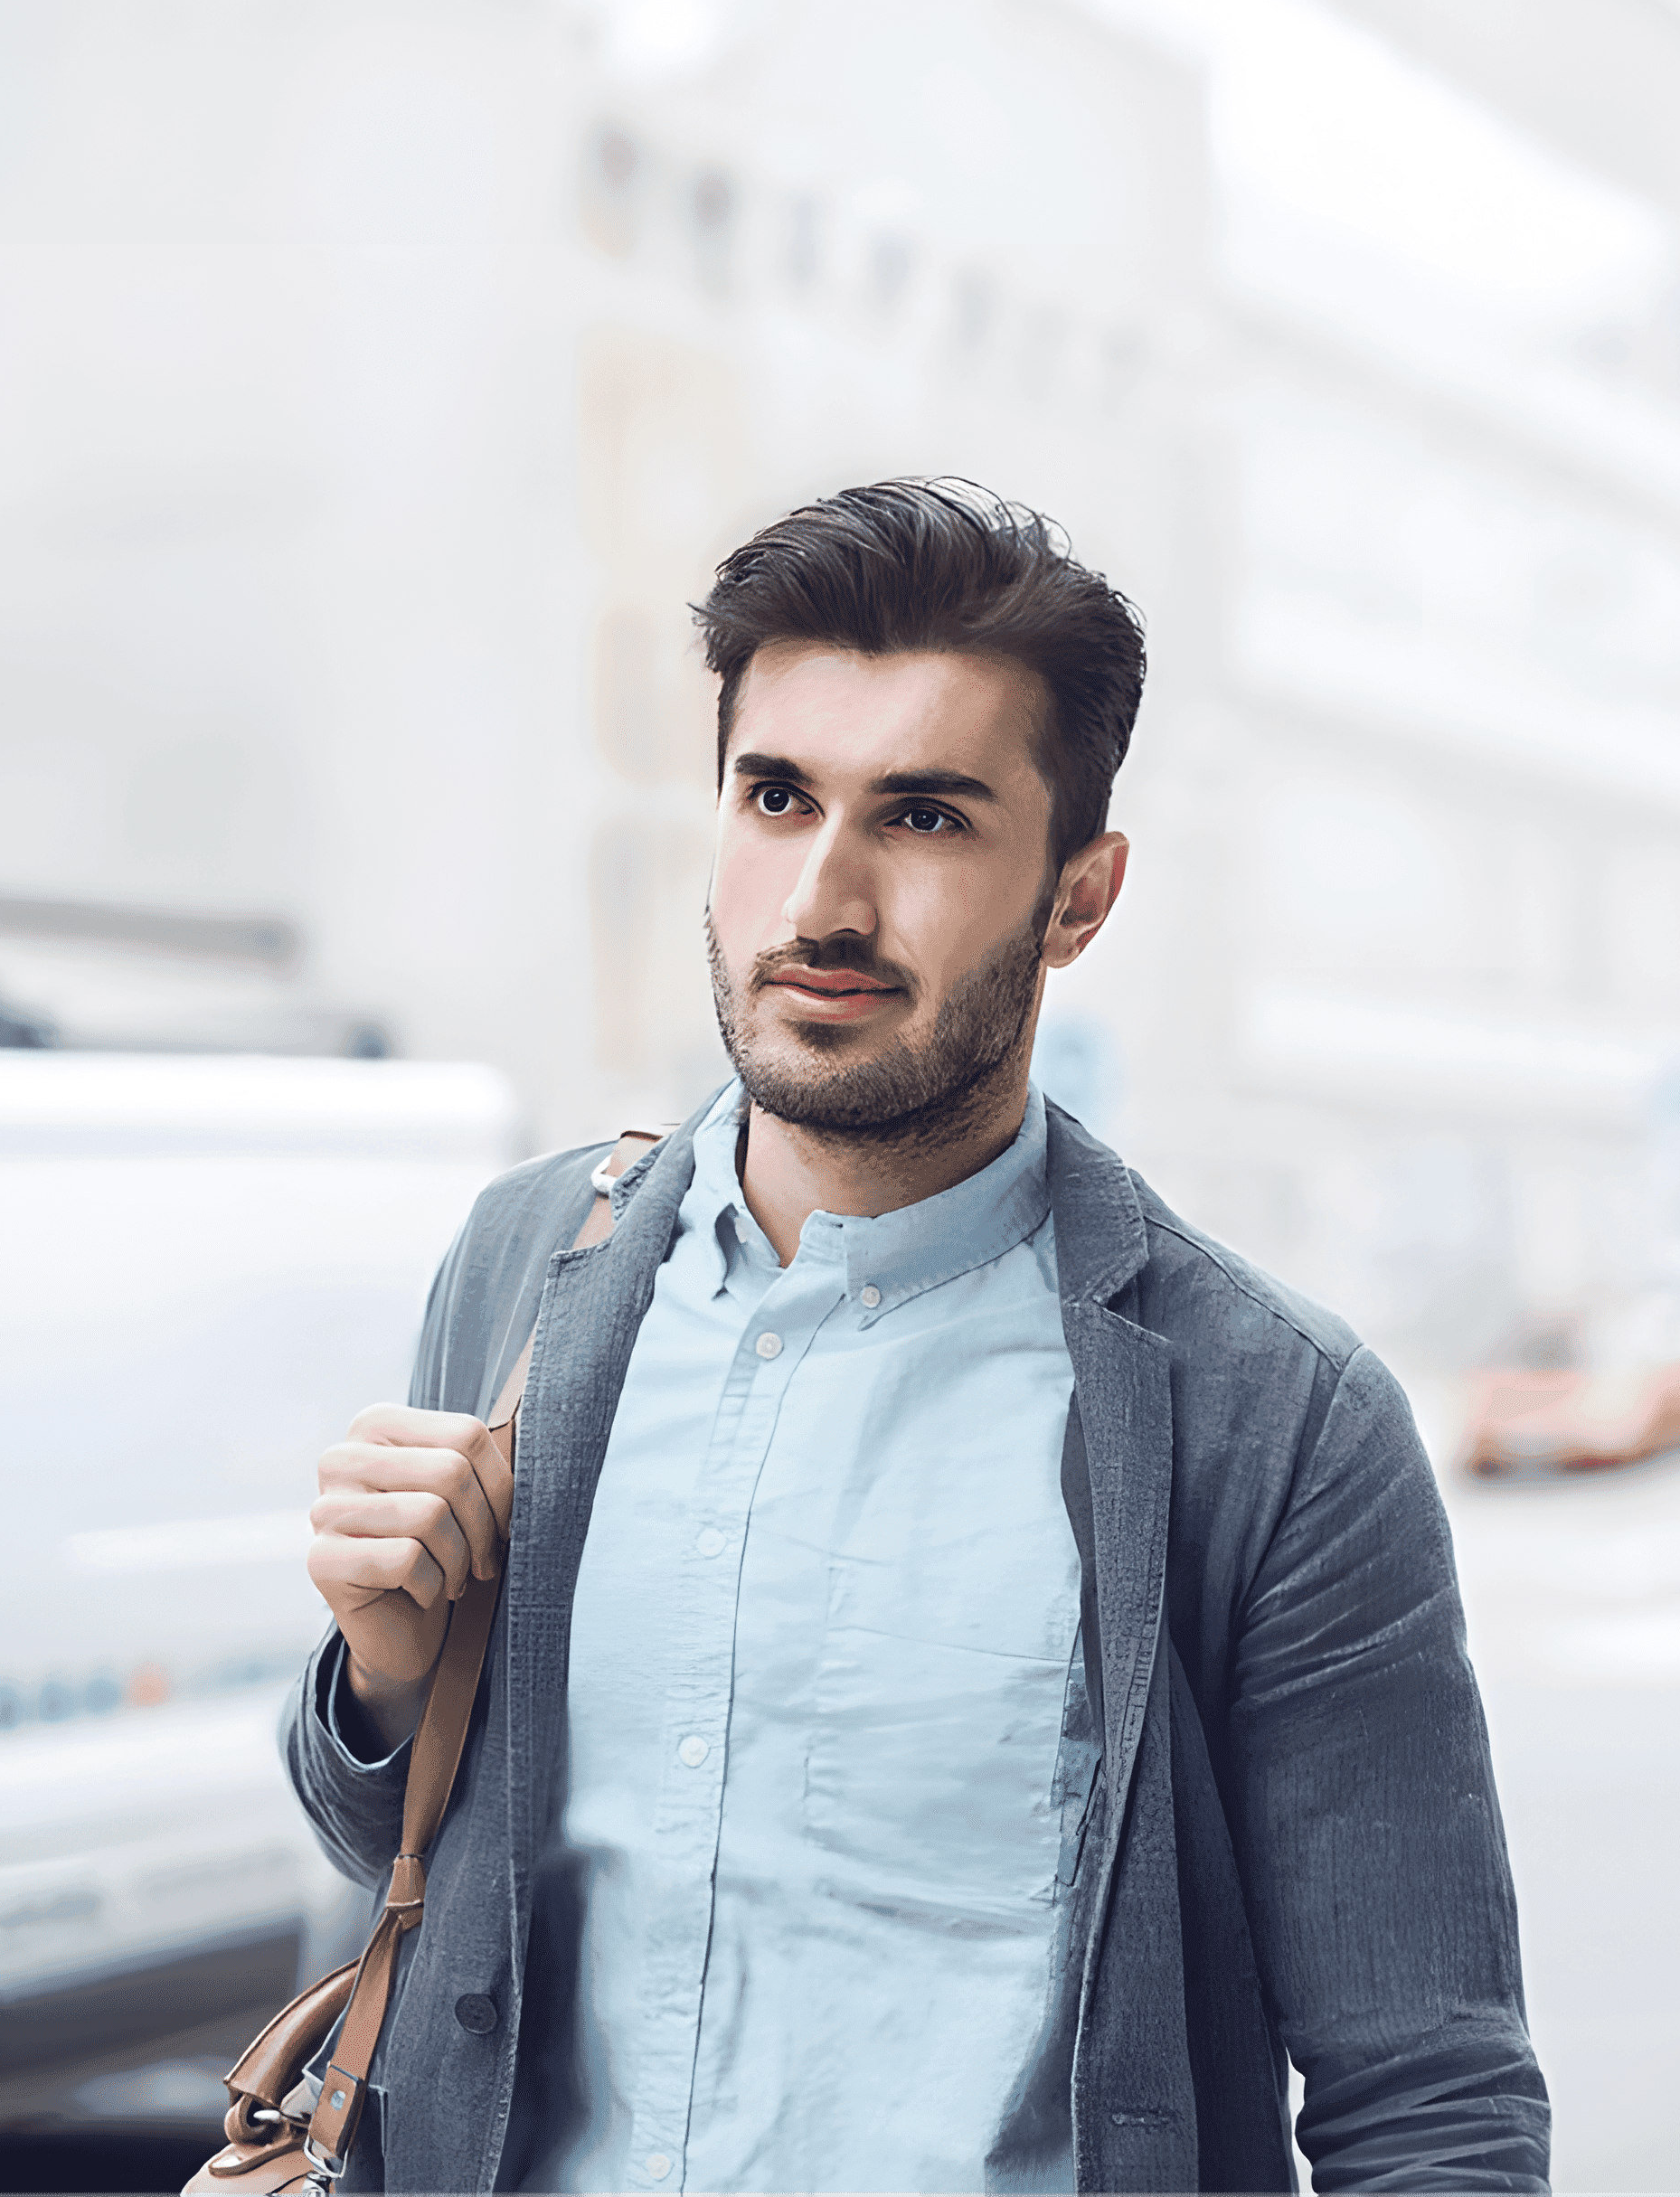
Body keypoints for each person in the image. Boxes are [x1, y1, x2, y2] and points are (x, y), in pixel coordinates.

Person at [289, 478, 1550, 2197]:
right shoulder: (530, 1270)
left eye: (930, 819)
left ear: (1079, 896)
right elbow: (424, 1862)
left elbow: (1432, 2103)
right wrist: (380, 1678)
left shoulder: (1272, 1418)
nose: (823, 898)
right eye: (777, 795)